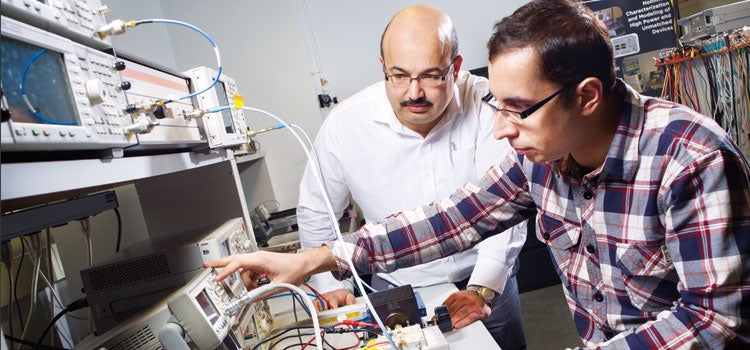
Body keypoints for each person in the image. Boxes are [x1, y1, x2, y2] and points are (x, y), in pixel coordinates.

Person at [207, 0, 750, 348]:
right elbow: (450, 219)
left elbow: (715, 323)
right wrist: (312, 260)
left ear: (585, 96)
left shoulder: (689, 160)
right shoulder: (543, 156)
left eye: (518, 108)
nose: (499, 128)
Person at [294, 4, 526, 349]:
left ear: (456, 68)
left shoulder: (488, 105)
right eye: (399, 75)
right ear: (383, 66)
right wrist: (331, 288)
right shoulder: (345, 126)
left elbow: (500, 207)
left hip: (484, 278)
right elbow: (317, 212)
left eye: (431, 75)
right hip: (395, 288)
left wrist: (482, 289)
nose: (414, 92)